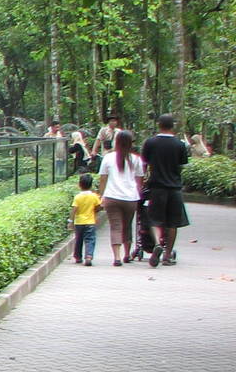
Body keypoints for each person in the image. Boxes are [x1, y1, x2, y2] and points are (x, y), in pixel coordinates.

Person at [141, 114, 191, 266]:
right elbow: (181, 165)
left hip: (156, 187)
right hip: (174, 187)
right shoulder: (180, 144)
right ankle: (167, 255)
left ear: (159, 125)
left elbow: (145, 162)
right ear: (173, 126)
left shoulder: (151, 142)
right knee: (173, 223)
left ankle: (157, 244)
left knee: (154, 219)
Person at [95, 128, 144, 266]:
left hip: (112, 197)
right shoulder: (136, 160)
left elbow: (103, 179)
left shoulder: (108, 158)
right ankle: (127, 254)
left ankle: (117, 257)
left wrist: (101, 196)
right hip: (130, 198)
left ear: (116, 142)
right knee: (127, 226)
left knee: (115, 226)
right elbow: (140, 180)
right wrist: (138, 194)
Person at [70, 173, 101, 266]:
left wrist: (70, 221)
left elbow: (74, 210)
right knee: (90, 240)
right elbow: (98, 207)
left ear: (79, 185)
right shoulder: (94, 196)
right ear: (91, 185)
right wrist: (94, 211)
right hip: (90, 222)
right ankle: (88, 256)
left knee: (78, 240)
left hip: (79, 222)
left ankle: (78, 257)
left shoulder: (78, 197)